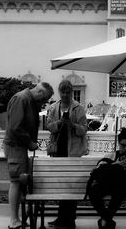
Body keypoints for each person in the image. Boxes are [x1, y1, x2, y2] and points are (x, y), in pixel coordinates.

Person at [3, 82, 54, 229]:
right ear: (40, 93)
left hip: (19, 147)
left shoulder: (27, 100)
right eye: (44, 99)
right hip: (15, 146)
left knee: (20, 182)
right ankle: (13, 220)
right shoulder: (22, 99)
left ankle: (17, 219)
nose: (43, 103)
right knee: (16, 181)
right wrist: (30, 142)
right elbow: (15, 127)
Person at [46, 80, 88, 229]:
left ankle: (70, 219)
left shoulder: (78, 108)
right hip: (58, 151)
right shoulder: (53, 107)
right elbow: (49, 127)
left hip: (73, 152)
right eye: (63, 92)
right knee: (61, 187)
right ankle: (61, 218)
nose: (65, 95)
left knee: (71, 187)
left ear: (71, 92)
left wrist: (71, 124)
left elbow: (84, 130)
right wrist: (59, 123)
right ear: (59, 92)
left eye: (68, 92)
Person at [89, 128, 126, 229]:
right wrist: (114, 164)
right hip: (109, 184)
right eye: (123, 145)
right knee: (93, 192)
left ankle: (105, 221)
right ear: (119, 144)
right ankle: (107, 219)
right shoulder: (111, 155)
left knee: (119, 192)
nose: (125, 148)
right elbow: (99, 169)